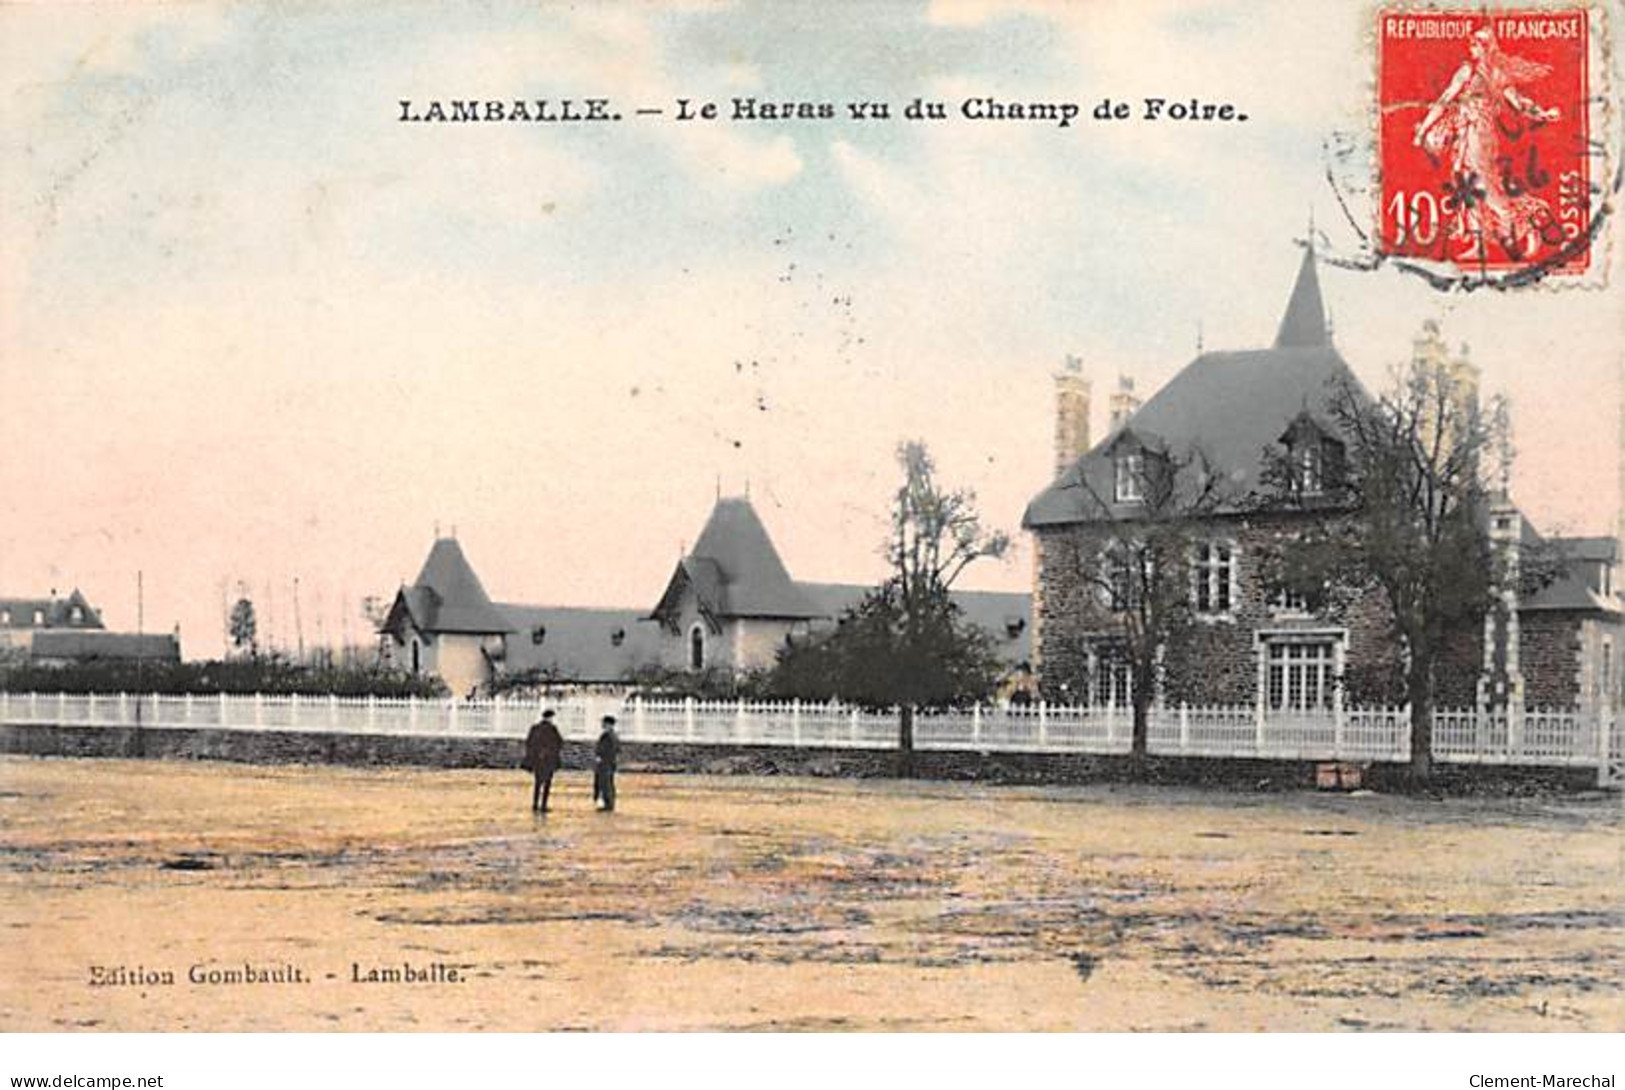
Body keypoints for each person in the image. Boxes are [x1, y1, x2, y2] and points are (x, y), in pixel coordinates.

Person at [1412, 27, 1561, 260]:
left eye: (1477, 43)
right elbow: (1444, 101)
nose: (1471, 46)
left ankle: (1529, 224)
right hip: (1465, 134)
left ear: (1486, 47)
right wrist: (1424, 129)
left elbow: (1519, 103)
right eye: (1471, 42)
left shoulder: (1495, 74)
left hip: (1480, 136)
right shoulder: (1468, 71)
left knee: (1487, 189)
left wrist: (1543, 114)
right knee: (1466, 184)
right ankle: (1478, 242)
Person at [522, 710, 565, 813]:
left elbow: (529, 743)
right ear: (550, 718)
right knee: (547, 783)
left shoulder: (535, 728)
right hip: (549, 761)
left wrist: (532, 756)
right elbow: (559, 743)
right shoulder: (552, 729)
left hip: (537, 761)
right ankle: (543, 805)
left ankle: (535, 804)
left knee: (538, 783)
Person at [593, 715, 620, 812]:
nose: (602, 724)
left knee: (605, 783)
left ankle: (608, 804)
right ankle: (609, 803)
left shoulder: (608, 736)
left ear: (608, 724)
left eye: (604, 723)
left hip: (605, 763)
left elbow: (606, 749)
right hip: (609, 762)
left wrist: (600, 757)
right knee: (608, 783)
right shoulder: (613, 735)